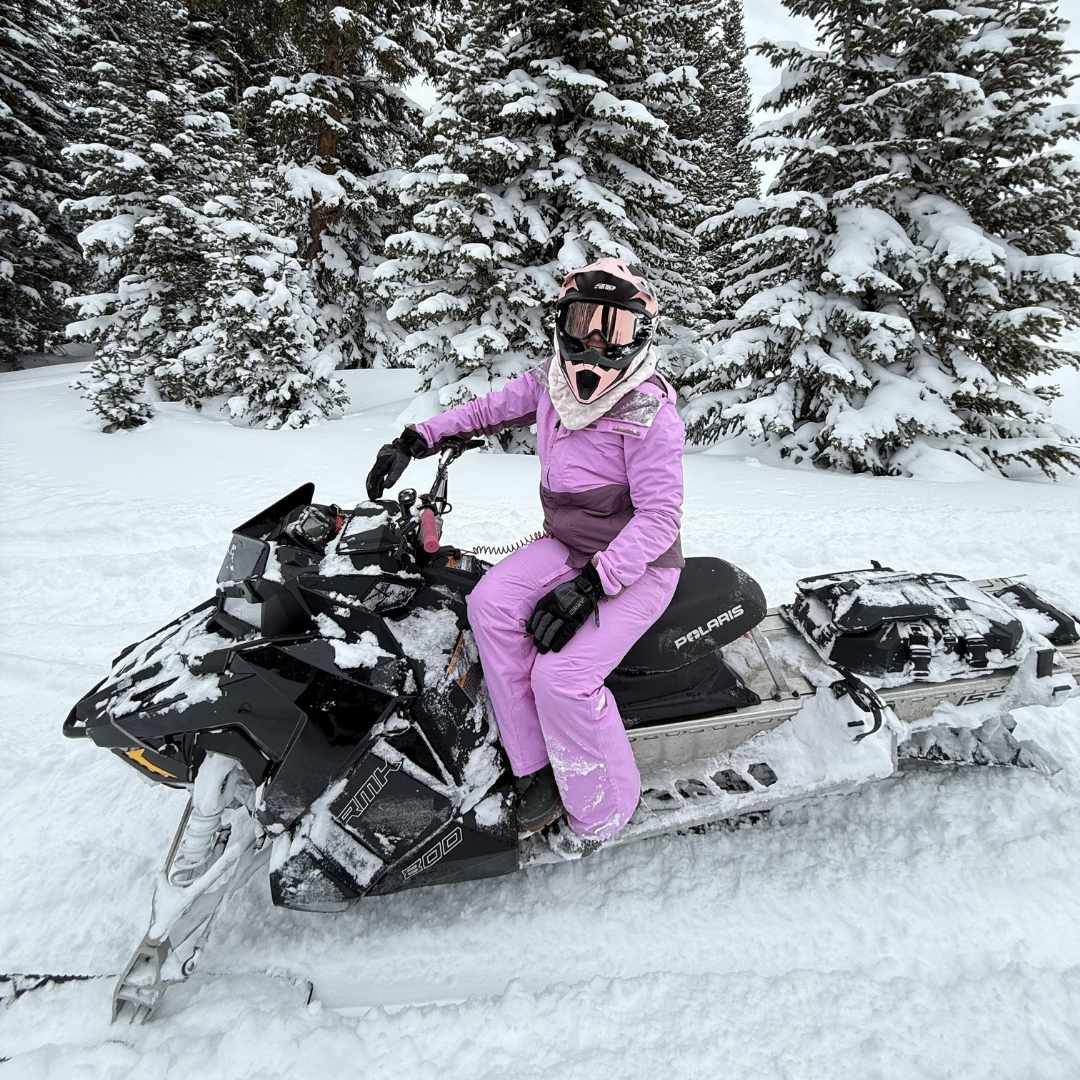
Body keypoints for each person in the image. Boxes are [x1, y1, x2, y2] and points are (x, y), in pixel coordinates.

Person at [366, 258, 684, 849]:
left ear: (639, 334)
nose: (593, 342)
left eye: (610, 328)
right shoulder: (551, 384)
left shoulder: (648, 410)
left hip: (638, 567)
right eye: (583, 321)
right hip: (569, 546)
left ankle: (603, 811)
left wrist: (595, 584)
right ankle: (534, 765)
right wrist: (417, 438)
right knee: (487, 604)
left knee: (562, 677)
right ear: (560, 323)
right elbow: (487, 409)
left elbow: (661, 519)